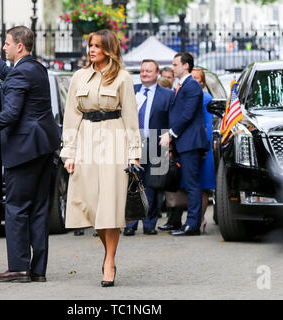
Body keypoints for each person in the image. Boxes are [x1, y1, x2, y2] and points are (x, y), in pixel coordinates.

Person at [0, 26, 60, 283]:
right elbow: (7, 73)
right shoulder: (35, 68)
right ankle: (38, 270)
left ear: (19, 46)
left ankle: (18, 267)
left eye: (6, 44)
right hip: (43, 147)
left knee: (16, 208)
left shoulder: (21, 73)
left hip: (24, 149)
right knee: (39, 209)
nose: (3, 47)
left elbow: (10, 114)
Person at [60, 29, 141, 287]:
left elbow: (130, 118)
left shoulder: (123, 77)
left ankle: (109, 261)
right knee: (93, 205)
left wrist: (134, 155)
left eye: (97, 46)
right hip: (85, 140)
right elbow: (71, 117)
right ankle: (107, 253)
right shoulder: (79, 76)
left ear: (108, 49)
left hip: (114, 140)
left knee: (111, 206)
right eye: (90, 45)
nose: (91, 50)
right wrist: (68, 152)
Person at [159, 52, 210, 236]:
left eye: (175, 64)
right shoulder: (181, 85)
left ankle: (193, 225)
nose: (173, 68)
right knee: (188, 184)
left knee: (192, 184)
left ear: (185, 66)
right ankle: (188, 223)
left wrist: (170, 135)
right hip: (184, 142)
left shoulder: (192, 86)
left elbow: (187, 114)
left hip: (191, 142)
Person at [123, 59, 173, 236]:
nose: (144, 74)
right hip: (133, 144)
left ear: (157, 73)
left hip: (155, 142)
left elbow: (170, 120)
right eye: (142, 71)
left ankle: (150, 223)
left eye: (149, 71)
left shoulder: (167, 95)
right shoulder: (131, 91)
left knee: (152, 186)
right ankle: (130, 224)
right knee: (132, 184)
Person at [191, 68, 215, 233]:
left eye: (196, 78)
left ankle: (200, 219)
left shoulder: (205, 98)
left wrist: (204, 147)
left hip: (202, 147)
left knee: (202, 186)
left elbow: (207, 125)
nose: (193, 81)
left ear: (202, 82)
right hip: (189, 146)